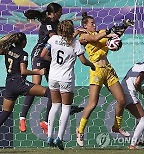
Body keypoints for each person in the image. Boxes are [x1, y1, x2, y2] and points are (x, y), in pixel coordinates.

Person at [19, 3, 84, 134]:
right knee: (35, 86)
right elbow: (56, 39)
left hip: (51, 57)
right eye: (60, 11)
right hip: (40, 55)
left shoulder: (58, 23)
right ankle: (22, 117)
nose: (61, 13)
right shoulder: (48, 25)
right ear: (53, 13)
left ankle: (46, 122)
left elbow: (63, 40)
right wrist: (76, 34)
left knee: (54, 88)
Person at [76, 12, 135, 147]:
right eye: (92, 23)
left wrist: (124, 27)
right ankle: (80, 130)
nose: (95, 25)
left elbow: (114, 35)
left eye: (95, 23)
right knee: (92, 103)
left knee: (121, 100)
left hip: (108, 70)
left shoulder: (102, 32)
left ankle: (116, 126)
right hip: (96, 71)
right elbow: (96, 38)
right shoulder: (84, 37)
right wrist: (109, 32)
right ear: (85, 25)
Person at [40, 20, 95, 150]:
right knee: (65, 108)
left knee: (54, 106)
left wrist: (52, 60)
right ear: (71, 30)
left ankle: (49, 137)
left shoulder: (53, 39)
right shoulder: (75, 43)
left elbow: (43, 55)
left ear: (59, 29)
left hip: (53, 77)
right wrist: (92, 65)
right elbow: (83, 61)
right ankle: (59, 137)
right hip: (66, 79)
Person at [0, 32, 51, 127]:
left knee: (5, 112)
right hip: (20, 83)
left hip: (9, 84)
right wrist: (38, 72)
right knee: (50, 93)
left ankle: (23, 118)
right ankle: (46, 122)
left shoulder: (8, 49)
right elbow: (23, 71)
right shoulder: (23, 54)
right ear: (23, 42)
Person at [121, 58, 144, 149]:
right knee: (143, 119)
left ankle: (138, 140)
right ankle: (133, 145)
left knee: (139, 118)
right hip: (128, 93)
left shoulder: (139, 64)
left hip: (123, 90)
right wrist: (142, 91)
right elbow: (137, 82)